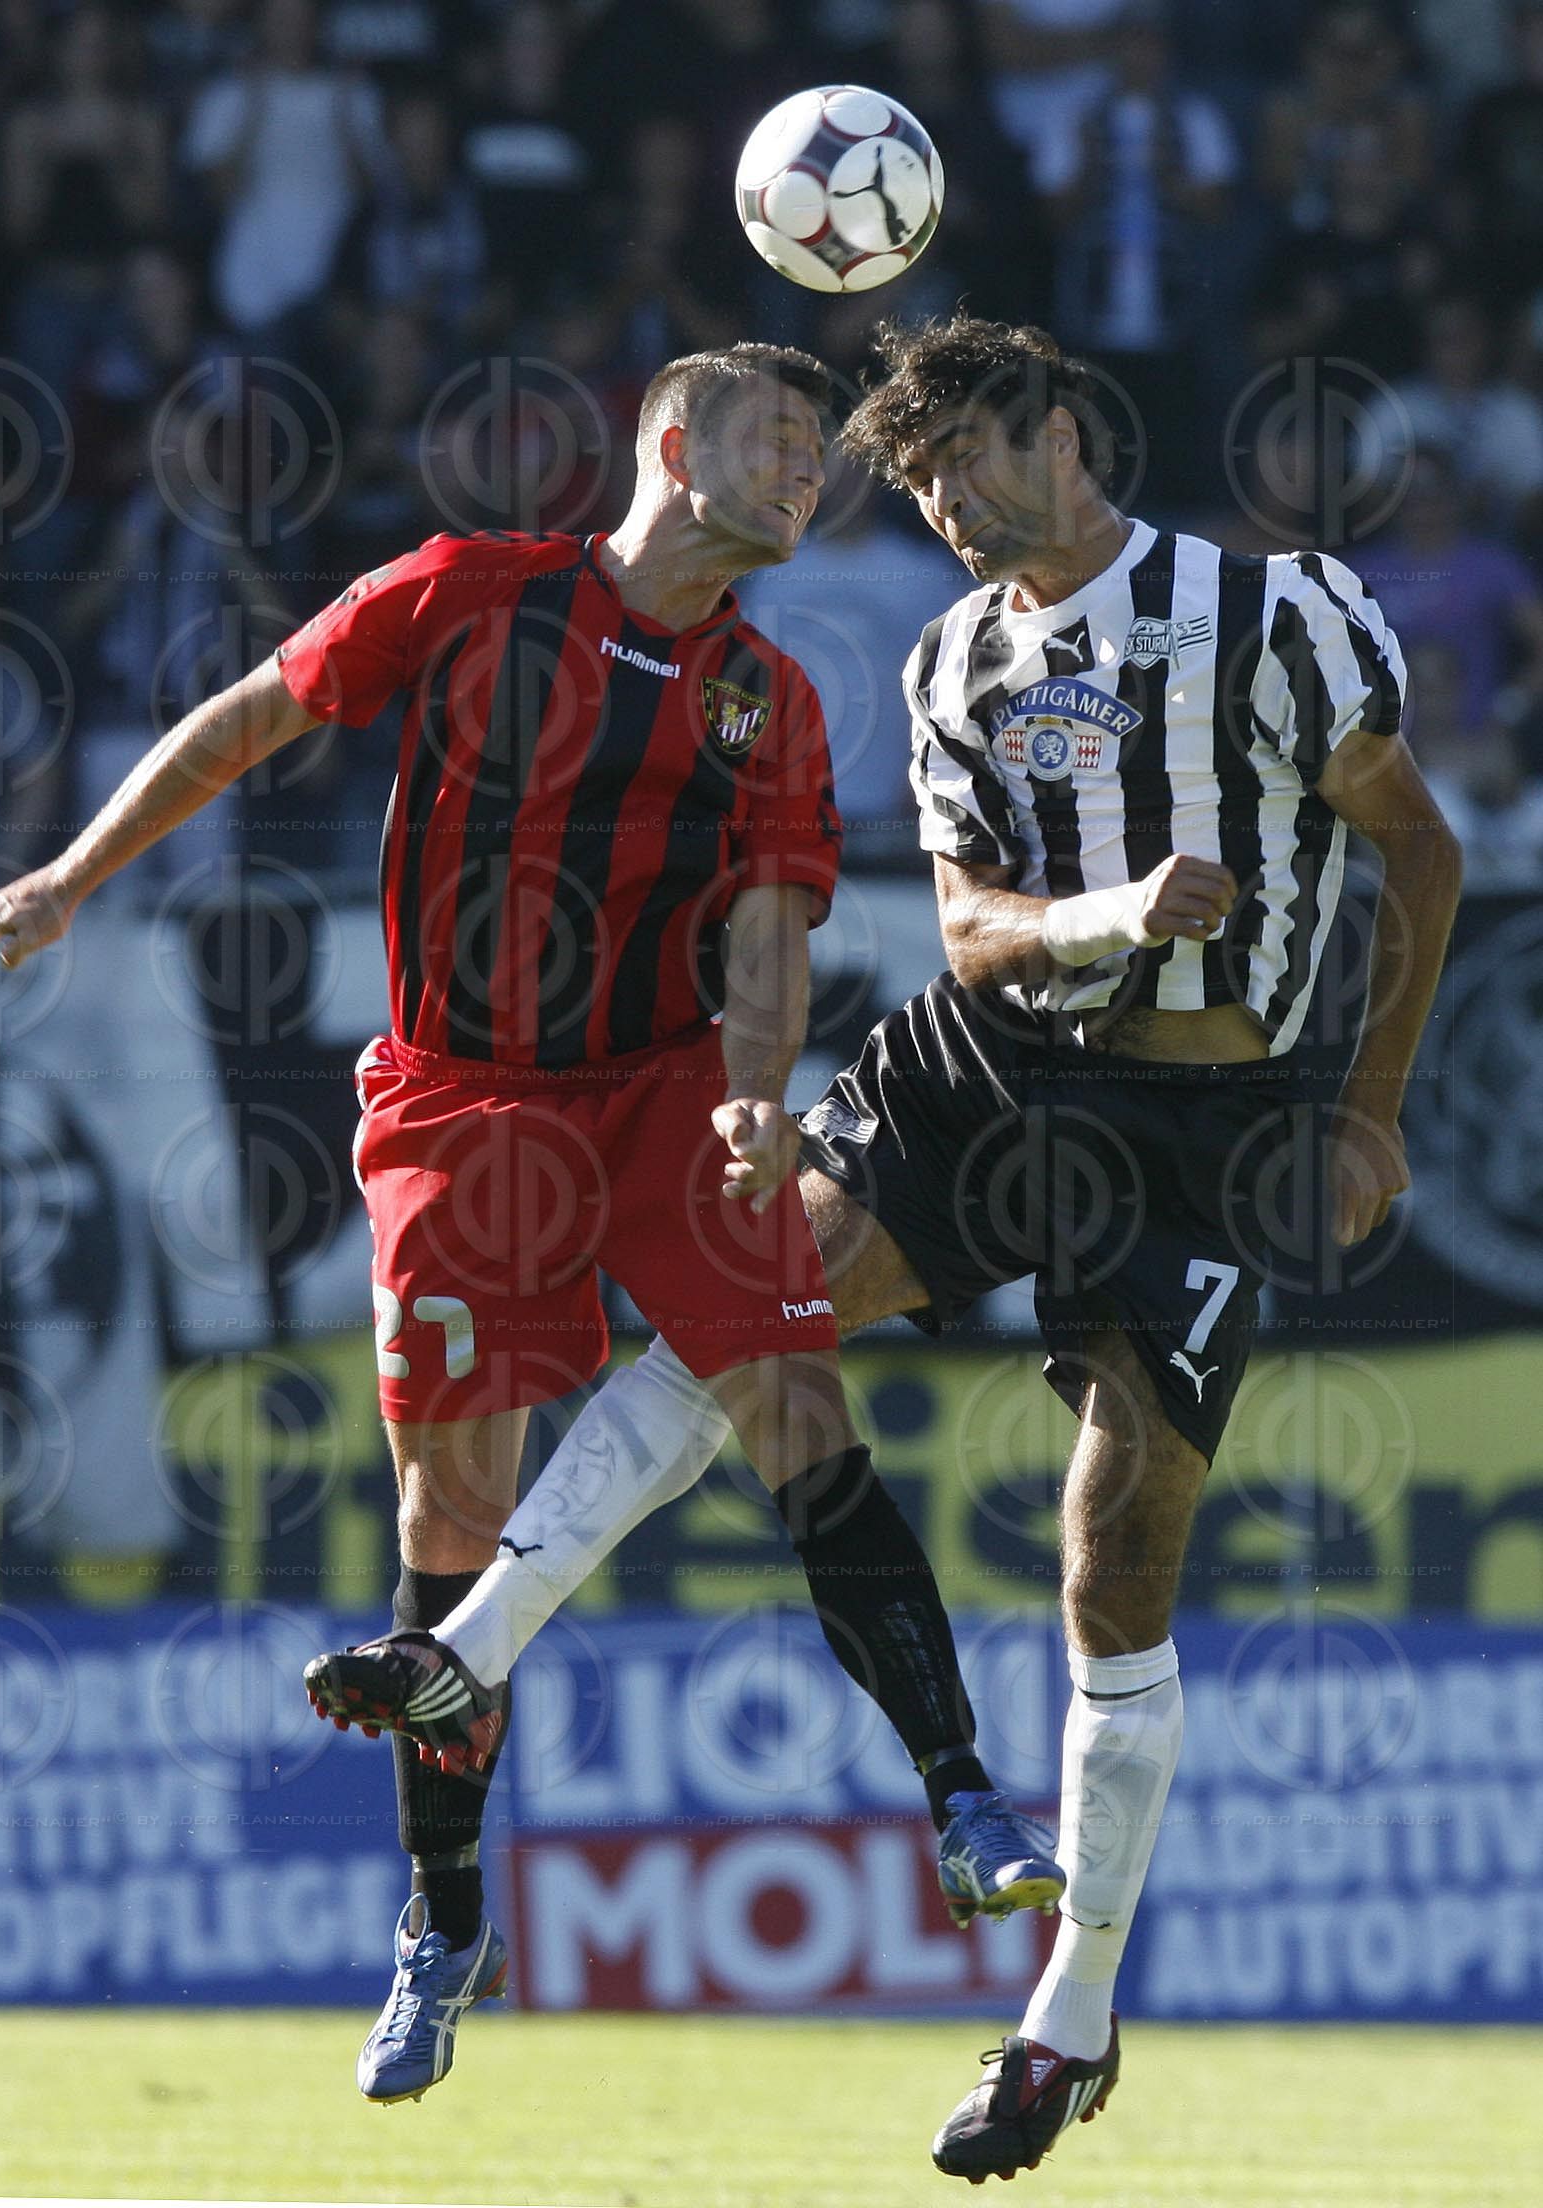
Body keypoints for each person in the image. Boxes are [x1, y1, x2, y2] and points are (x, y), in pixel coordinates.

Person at [346, 313, 1462, 2181]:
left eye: (961, 464)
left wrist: (1373, 1108)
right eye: (918, 482)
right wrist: (1108, 914)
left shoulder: (1278, 617)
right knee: (743, 1314)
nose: (938, 507)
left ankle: (1070, 2020)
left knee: (1115, 1569)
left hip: (1215, 1129)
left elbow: (1418, 851)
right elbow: (967, 931)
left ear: (1058, 437)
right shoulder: (953, 662)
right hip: (999, 1069)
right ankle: (470, 1644)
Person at [0, 341, 1064, 2105]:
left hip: (668, 1095)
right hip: (461, 1104)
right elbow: (256, 713)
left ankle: (964, 1797)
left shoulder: (769, 696)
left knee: (800, 1414)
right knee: (451, 1513)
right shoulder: (470, 591)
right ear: (671, 443)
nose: (806, 473)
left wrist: (756, 1088)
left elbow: (771, 932)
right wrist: (73, 878)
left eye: (816, 454)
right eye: (775, 439)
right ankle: (446, 1921)